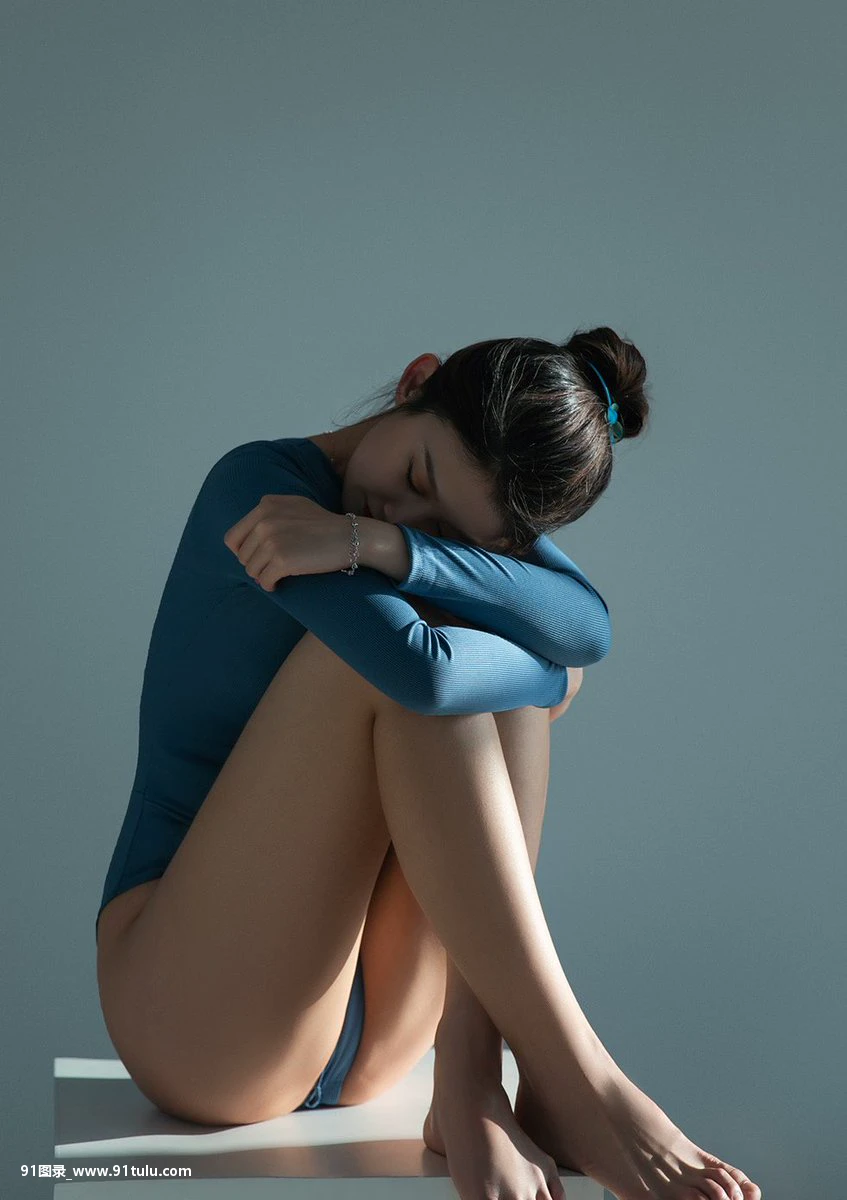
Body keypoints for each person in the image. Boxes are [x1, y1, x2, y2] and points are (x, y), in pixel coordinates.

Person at [95, 329, 760, 1200]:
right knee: (417, 661)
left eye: (446, 527)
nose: (403, 514)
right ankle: (577, 1077)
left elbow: (587, 625)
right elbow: (431, 670)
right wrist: (551, 676)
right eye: (416, 476)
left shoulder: (383, 533)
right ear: (416, 382)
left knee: (484, 653)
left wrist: (381, 549)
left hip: (377, 1028)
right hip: (196, 1014)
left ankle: (470, 1080)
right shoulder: (258, 489)